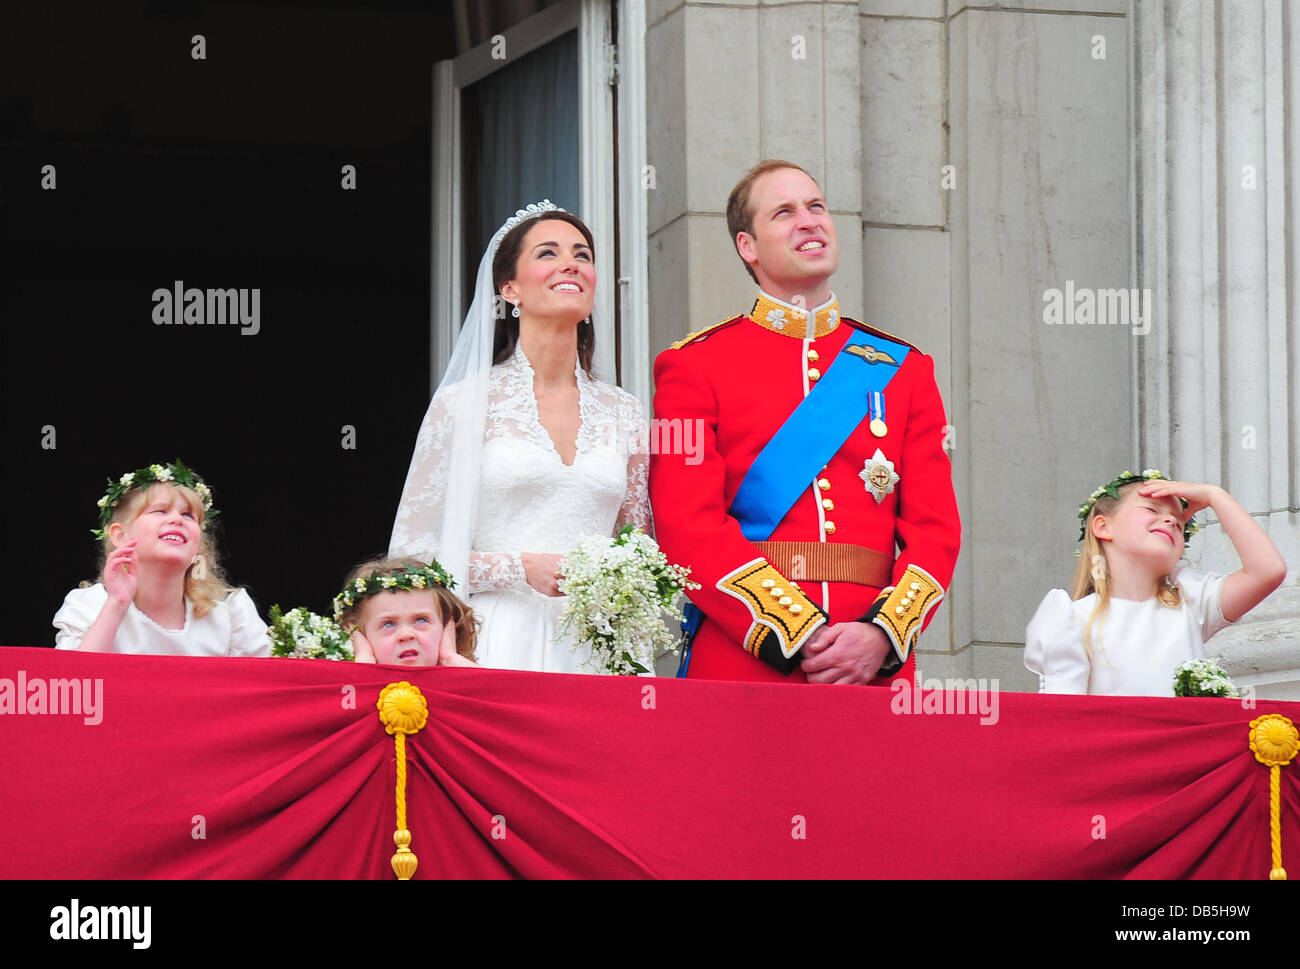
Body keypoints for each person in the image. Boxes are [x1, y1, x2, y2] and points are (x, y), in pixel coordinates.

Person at [650, 160, 961, 684]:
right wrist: (794, 631)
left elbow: (936, 529)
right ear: (748, 246)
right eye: (785, 212)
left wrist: (882, 635)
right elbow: (686, 526)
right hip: (744, 659)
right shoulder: (694, 364)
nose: (809, 221)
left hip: (873, 665)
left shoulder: (904, 369)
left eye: (816, 206)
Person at [390, 202, 651, 674]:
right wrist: (518, 568)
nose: (571, 263)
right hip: (496, 640)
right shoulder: (463, 403)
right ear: (509, 288)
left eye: (583, 255)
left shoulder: (625, 412)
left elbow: (640, 544)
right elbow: (412, 557)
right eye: (548, 253)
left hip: (600, 649)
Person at [1024, 470, 1286, 695]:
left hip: (1183, 751)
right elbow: (1065, 714)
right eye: (1151, 509)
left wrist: (1214, 496)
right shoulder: (1072, 618)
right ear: (1103, 527)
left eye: (1180, 525)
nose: (1172, 520)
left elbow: (1268, 571)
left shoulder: (1190, 601)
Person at [53, 461, 270, 656]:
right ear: (120, 535)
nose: (177, 519)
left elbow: (271, 688)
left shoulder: (230, 615)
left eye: (188, 515)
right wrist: (117, 605)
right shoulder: (89, 606)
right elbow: (74, 687)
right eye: (160, 511)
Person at [335, 557, 478, 667]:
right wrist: (363, 665)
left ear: (447, 626)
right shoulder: (345, 689)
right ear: (357, 633)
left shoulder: (460, 682)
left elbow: (497, 697)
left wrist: (451, 659)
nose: (406, 635)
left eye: (421, 620)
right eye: (388, 624)